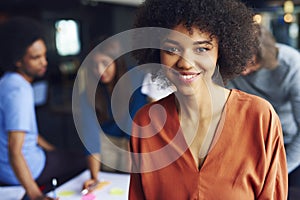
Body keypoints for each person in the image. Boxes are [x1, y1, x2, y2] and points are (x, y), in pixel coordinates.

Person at [128, 0, 288, 199]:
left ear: (222, 51)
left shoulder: (259, 117)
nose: (185, 63)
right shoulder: (146, 122)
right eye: (172, 49)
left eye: (202, 49)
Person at [0, 17, 87, 200]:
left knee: (61, 156)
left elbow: (27, 132)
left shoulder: (6, 81)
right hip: (24, 168)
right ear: (17, 60)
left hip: (6, 166)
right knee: (83, 161)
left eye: (44, 55)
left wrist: (52, 150)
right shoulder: (20, 91)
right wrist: (35, 195)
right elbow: (15, 149)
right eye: (35, 57)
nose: (44, 62)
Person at [226, 25, 300, 193]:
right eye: (238, 63)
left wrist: (278, 170)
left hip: (288, 140)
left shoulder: (292, 65)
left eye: (251, 63)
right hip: (249, 142)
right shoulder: (229, 68)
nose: (243, 71)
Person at [73, 36, 148, 193]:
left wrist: (130, 183)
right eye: (94, 65)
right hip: (107, 143)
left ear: (117, 61)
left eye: (105, 63)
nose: (99, 71)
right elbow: (90, 136)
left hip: (134, 141)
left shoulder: (135, 82)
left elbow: (132, 134)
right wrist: (94, 177)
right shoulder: (88, 92)